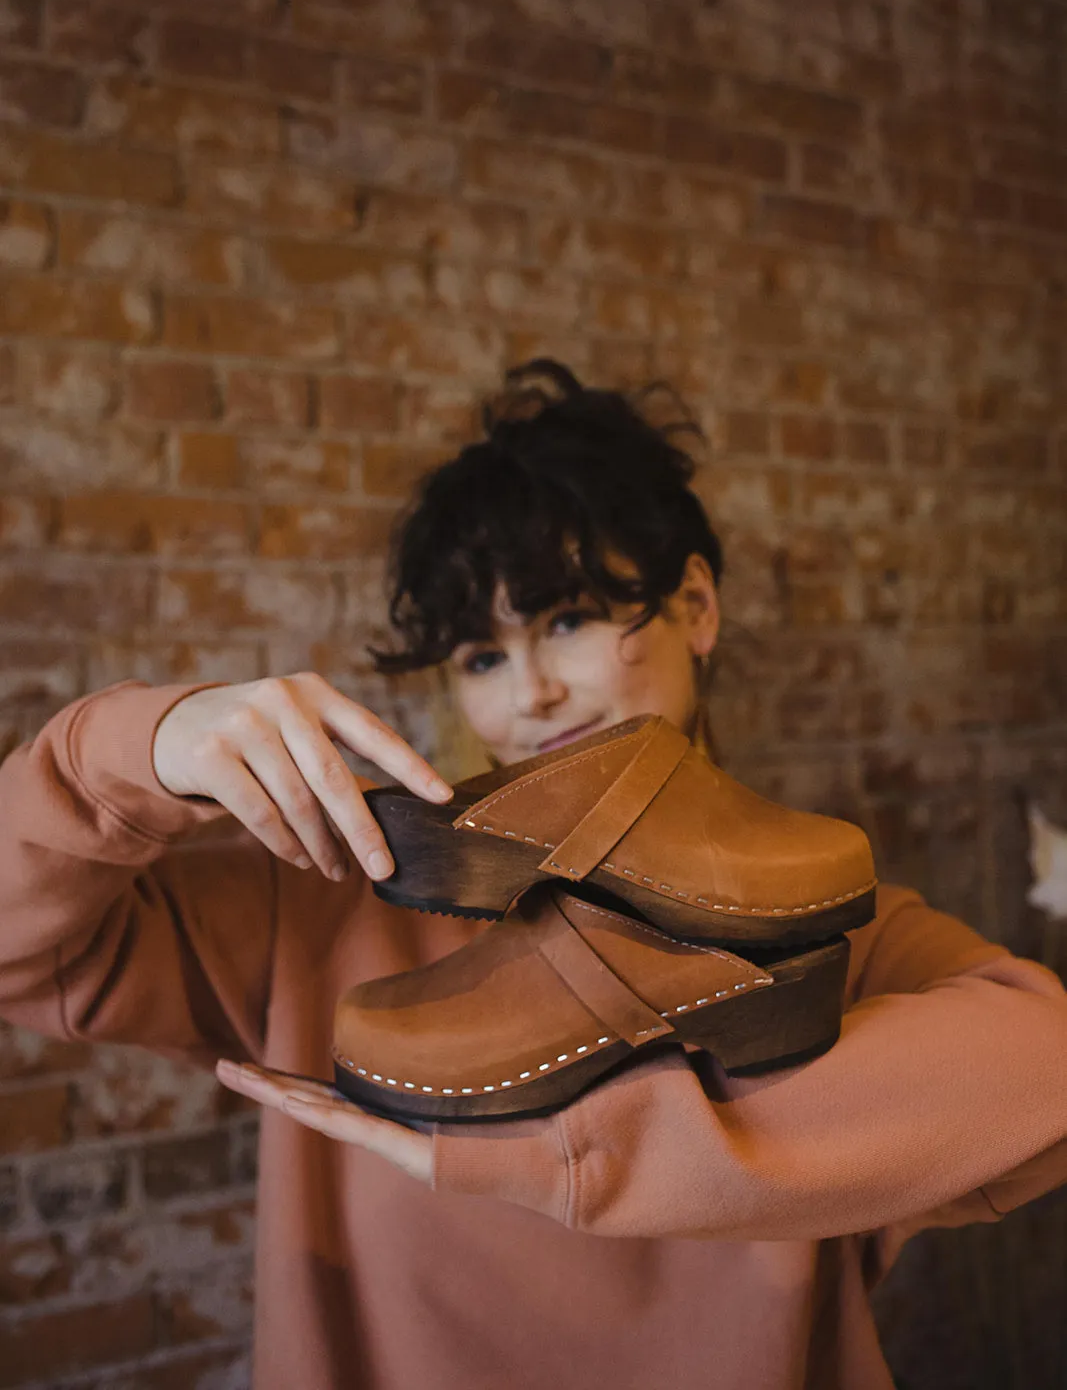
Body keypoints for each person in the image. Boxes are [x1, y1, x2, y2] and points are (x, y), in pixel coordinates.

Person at [1, 361, 1064, 1390]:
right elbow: (24, 953)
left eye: (567, 620)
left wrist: (572, 1150)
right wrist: (125, 750)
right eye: (480, 656)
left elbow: (1045, 1074)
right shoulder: (330, 899)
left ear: (695, 607)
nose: (532, 696)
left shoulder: (817, 924)